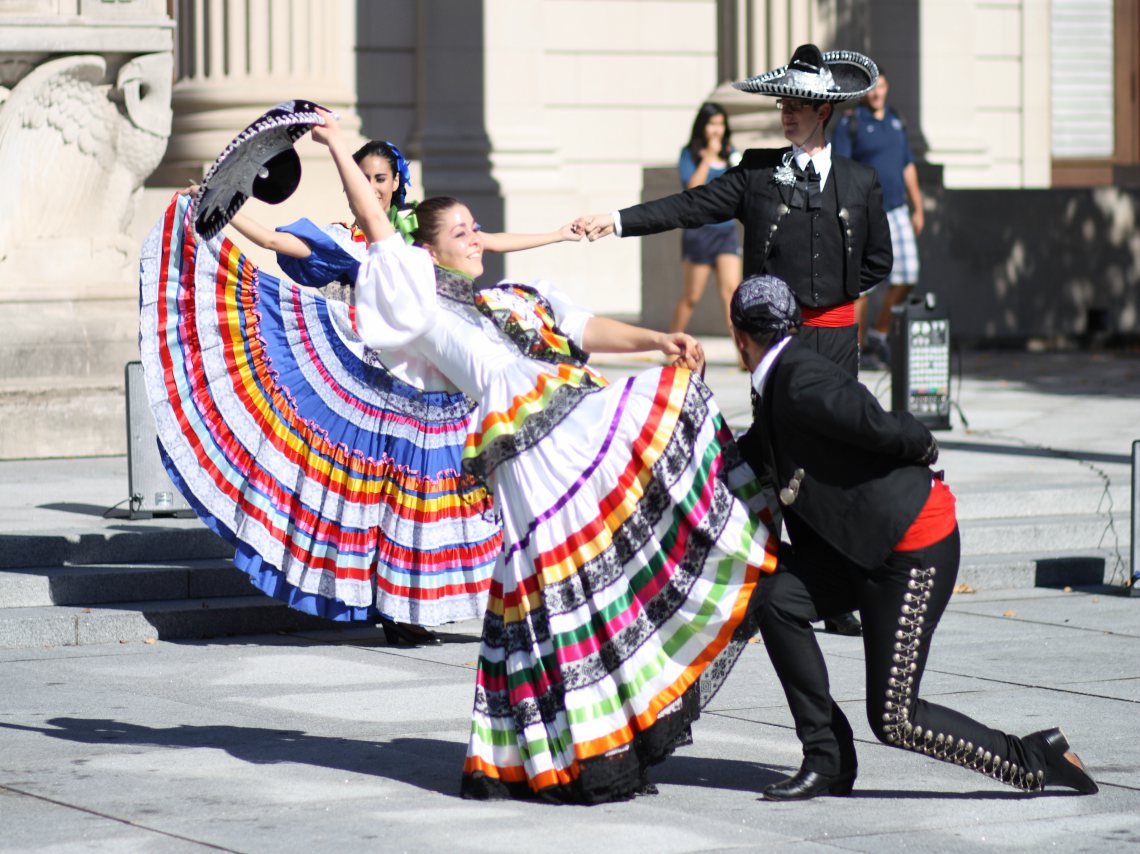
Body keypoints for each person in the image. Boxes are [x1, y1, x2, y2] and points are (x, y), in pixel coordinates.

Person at [311, 107, 777, 803]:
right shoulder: (421, 305)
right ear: (431, 251)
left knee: (600, 568)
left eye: (475, 227)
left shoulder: (515, 298)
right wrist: (337, 147)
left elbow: (584, 327)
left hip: (566, 425)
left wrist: (657, 338)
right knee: (555, 594)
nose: (475, 237)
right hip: (525, 453)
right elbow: (379, 229)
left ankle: (606, 727)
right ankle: (572, 751)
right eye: (461, 231)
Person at [140, 101, 504, 647]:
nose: (373, 186)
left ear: (398, 182)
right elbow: (274, 241)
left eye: (381, 178)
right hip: (361, 371)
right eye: (365, 178)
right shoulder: (359, 241)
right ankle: (393, 609)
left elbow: (491, 242)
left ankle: (420, 605)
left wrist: (564, 234)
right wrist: (221, 203)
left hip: (425, 383)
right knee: (380, 497)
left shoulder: (419, 246)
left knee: (435, 501)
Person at [729, 273, 1099, 801]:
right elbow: (755, 451)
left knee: (896, 718)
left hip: (912, 548)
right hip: (859, 547)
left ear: (738, 335)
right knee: (776, 598)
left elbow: (870, 419)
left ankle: (1036, 758)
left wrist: (920, 445)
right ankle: (827, 758)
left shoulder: (799, 379)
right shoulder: (780, 381)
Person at [580, 44, 892, 381]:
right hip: (777, 340)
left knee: (837, 430)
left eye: (797, 105)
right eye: (783, 103)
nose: (786, 113)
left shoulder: (861, 180)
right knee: (778, 430)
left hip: (837, 340)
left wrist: (836, 288)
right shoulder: (756, 172)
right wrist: (616, 220)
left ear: (823, 111)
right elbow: (689, 206)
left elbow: (878, 260)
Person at [832, 70, 924, 370]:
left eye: (881, 86)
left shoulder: (896, 120)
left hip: (897, 210)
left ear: (887, 87)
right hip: (865, 212)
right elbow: (840, 168)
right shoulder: (851, 122)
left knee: (908, 275)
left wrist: (918, 207)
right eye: (871, 88)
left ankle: (877, 336)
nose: (876, 93)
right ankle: (854, 351)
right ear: (863, 91)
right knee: (862, 286)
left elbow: (907, 165)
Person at [671, 102, 743, 340]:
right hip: (700, 233)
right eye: (712, 123)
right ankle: (671, 343)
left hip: (725, 231)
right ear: (703, 126)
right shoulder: (689, 153)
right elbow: (692, 187)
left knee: (732, 292)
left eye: (721, 124)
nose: (717, 129)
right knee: (692, 296)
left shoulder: (731, 152)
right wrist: (708, 157)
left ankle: (743, 353)